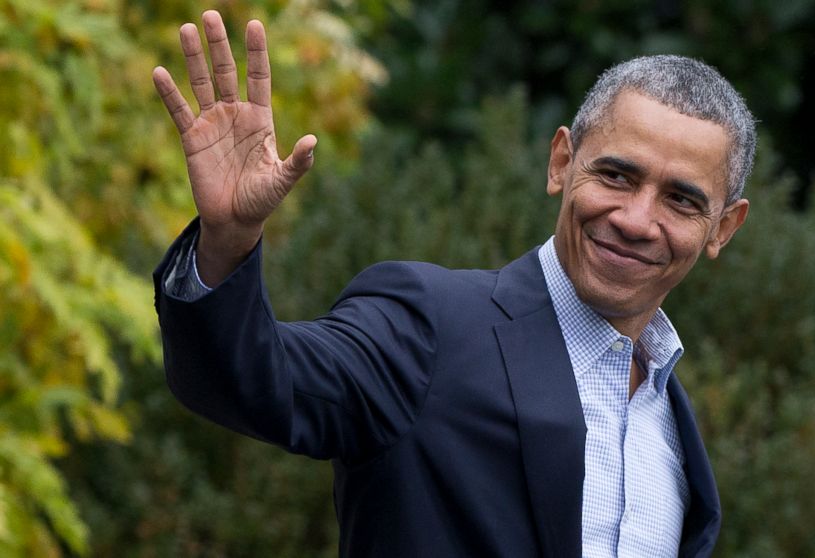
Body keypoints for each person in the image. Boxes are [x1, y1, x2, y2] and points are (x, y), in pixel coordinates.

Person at [152, 10, 754, 558]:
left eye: (679, 200)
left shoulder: (668, 417)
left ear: (722, 227)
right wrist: (228, 238)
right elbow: (249, 382)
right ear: (561, 163)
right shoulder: (428, 325)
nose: (635, 220)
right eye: (617, 176)